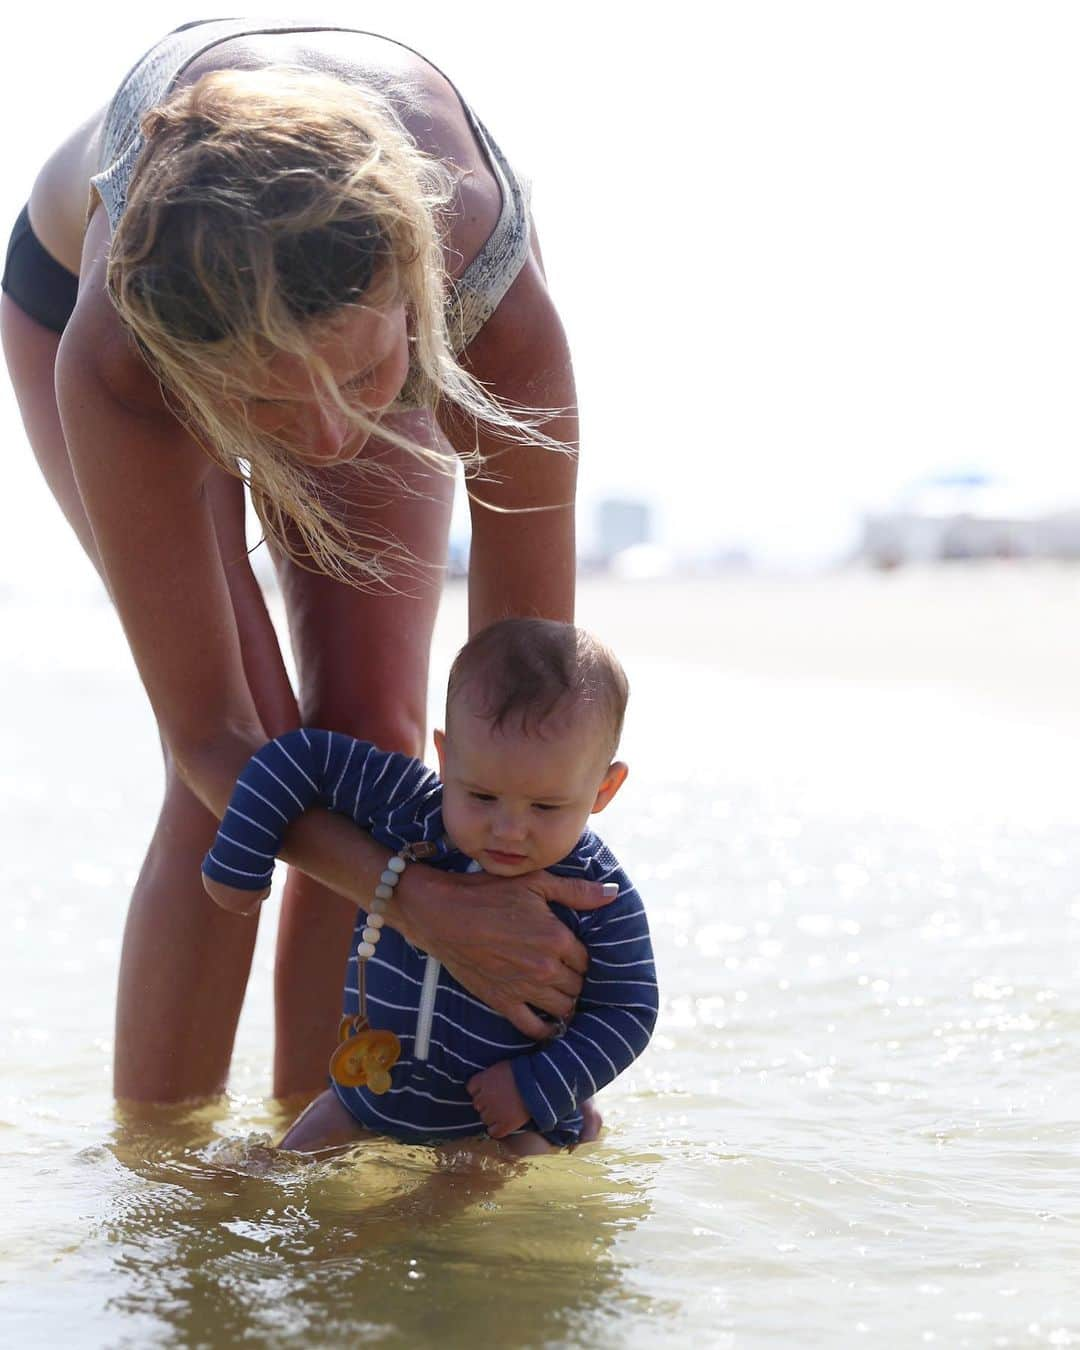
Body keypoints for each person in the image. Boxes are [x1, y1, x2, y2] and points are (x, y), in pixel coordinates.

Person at [0, 19, 611, 1108]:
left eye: (362, 381)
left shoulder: (493, 301)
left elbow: (526, 725)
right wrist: (412, 902)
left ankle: (335, 1133)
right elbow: (212, 737)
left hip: (367, 303)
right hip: (94, 301)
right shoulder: (119, 360)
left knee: (369, 744)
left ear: (411, 290)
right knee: (231, 772)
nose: (326, 443)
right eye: (274, 405)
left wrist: (534, 1020)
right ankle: (171, 1184)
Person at [202, 620, 658, 1155]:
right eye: (481, 796)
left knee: (485, 1215)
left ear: (603, 788)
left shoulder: (598, 892)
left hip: (505, 1124)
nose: (508, 830)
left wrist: (540, 1085)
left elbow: (629, 1010)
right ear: (446, 757)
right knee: (276, 1181)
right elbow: (298, 760)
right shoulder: (408, 808)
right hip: (365, 1097)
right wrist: (238, 862)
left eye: (545, 807)